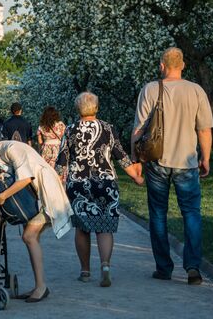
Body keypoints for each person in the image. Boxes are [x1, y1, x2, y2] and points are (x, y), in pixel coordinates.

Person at [131, 47, 213, 285]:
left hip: (157, 161)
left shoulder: (150, 89)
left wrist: (135, 160)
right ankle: (193, 267)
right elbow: (204, 129)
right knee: (191, 213)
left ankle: (164, 268)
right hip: (187, 162)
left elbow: (138, 130)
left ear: (162, 66)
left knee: (158, 213)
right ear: (183, 65)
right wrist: (205, 158)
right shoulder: (196, 90)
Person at [0, 135, 73, 303]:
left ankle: (41, 287)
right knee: (31, 238)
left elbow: (25, 179)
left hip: (47, 196)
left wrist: (2, 196)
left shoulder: (11, 149)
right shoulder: (2, 154)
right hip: (36, 198)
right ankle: (39, 285)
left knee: (29, 236)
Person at [56, 92, 144, 287]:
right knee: (104, 228)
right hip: (105, 183)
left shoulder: (70, 130)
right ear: (96, 107)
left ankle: (85, 271)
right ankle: (105, 266)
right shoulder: (108, 129)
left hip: (78, 184)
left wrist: (56, 182)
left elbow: (62, 162)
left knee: (82, 228)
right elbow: (121, 156)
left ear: (78, 108)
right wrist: (135, 176)